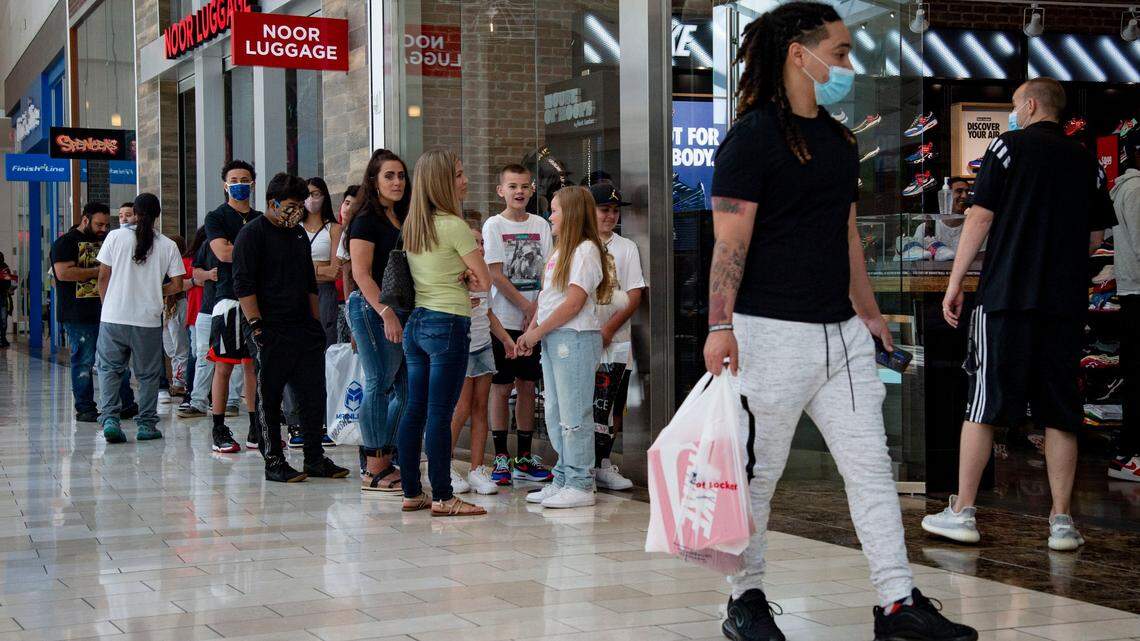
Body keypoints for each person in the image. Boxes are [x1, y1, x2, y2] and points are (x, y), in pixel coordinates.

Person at [702, 4, 976, 640]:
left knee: (872, 470)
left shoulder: (838, 138)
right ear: (800, 53)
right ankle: (745, 599)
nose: (849, 64)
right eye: (842, 51)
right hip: (768, 333)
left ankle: (898, 603)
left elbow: (846, 233)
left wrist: (871, 314)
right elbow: (729, 243)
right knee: (759, 475)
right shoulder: (751, 137)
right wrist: (721, 325)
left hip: (843, 338)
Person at [924, 77, 1117, 553]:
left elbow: (980, 217)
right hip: (1064, 304)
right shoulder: (1085, 159)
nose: (1013, 113)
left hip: (1007, 296)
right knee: (1061, 411)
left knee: (983, 403)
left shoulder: (1007, 148)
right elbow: (1096, 237)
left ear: (1030, 106)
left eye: (1014, 105)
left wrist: (954, 283)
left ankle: (962, 512)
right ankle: (1062, 522)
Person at [232, 172, 350, 483]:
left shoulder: (297, 235)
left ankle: (314, 457)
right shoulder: (252, 234)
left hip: (303, 327)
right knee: (269, 395)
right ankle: (274, 460)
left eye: (300, 205)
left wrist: (314, 323)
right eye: (291, 205)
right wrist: (256, 326)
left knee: (312, 392)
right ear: (272, 203)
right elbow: (243, 284)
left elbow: (310, 282)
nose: (297, 211)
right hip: (267, 327)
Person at [397, 148, 491, 517]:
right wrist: (468, 276)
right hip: (448, 323)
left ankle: (411, 491)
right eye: (458, 174)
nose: (465, 180)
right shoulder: (453, 226)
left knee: (414, 410)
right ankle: (443, 495)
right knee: (440, 413)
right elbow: (483, 280)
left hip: (417, 324)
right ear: (442, 182)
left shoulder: (413, 225)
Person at [516, 186, 612, 509]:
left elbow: (573, 304)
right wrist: (532, 331)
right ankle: (563, 475)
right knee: (557, 413)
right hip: (555, 338)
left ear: (570, 214)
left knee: (574, 414)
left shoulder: (586, 250)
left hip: (575, 338)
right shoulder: (561, 251)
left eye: (555, 210)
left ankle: (581, 482)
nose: (550, 216)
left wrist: (536, 332)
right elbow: (548, 299)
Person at [483, 163, 554, 486]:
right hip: (505, 320)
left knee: (527, 385)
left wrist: (536, 311)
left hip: (534, 321)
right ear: (501, 191)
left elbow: (548, 272)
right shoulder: (493, 226)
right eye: (512, 186)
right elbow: (495, 273)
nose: (519, 192)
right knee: (501, 387)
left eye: (524, 186)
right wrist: (525, 305)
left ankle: (524, 457)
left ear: (532, 189)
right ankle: (501, 456)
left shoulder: (541, 225)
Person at [95, 193, 184, 443]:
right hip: (147, 319)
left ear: (134, 212)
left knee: (109, 371)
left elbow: (103, 277)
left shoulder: (115, 236)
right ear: (158, 215)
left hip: (114, 317)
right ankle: (146, 425)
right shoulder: (168, 245)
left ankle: (111, 419)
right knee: (147, 375)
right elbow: (177, 284)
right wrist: (156, 291)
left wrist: (107, 304)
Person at [346, 149, 410, 495]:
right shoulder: (366, 219)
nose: (397, 181)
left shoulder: (402, 216)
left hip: (400, 310)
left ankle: (386, 454)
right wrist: (386, 313)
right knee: (379, 383)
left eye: (401, 175)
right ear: (374, 180)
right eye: (389, 175)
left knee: (406, 388)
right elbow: (361, 273)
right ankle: (374, 465)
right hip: (373, 310)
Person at [51, 202, 136, 422]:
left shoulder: (110, 240)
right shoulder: (65, 243)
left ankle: (126, 403)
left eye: (107, 225)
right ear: (85, 220)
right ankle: (85, 407)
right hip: (78, 313)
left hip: (111, 311)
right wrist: (99, 271)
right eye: (99, 224)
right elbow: (63, 274)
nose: (103, 229)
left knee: (117, 360)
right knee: (83, 360)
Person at [450, 224, 518, 495]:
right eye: (472, 242)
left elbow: (489, 314)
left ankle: (477, 468)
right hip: (462, 349)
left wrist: (505, 339)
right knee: (461, 408)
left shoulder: (484, 278)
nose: (478, 247)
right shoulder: (456, 276)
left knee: (481, 407)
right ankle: (444, 465)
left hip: (482, 347)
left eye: (481, 243)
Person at [589, 183, 645, 491]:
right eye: (603, 210)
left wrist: (610, 329)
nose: (610, 216)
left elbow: (635, 293)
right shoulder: (579, 245)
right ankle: (583, 464)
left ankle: (604, 462)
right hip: (583, 339)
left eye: (614, 210)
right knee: (585, 403)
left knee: (612, 404)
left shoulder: (627, 248)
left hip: (617, 339)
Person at [205, 160, 261, 454]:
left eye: (245, 178)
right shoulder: (216, 217)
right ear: (225, 184)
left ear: (253, 183)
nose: (240, 183)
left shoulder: (261, 217)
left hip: (257, 300)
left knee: (254, 366)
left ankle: (256, 426)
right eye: (234, 178)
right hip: (227, 299)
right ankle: (218, 427)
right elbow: (223, 253)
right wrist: (255, 250)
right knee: (224, 366)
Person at [178, 228, 243, 419]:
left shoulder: (244, 240)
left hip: (234, 305)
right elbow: (196, 271)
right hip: (208, 308)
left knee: (235, 357)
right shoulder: (208, 244)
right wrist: (207, 275)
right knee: (203, 356)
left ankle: (231, 401)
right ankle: (198, 401)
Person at [1110, 130, 1139, 482]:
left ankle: (1127, 451)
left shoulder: (1124, 188)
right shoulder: (1135, 190)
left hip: (1130, 290)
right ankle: (1129, 452)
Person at [304, 177, 342, 347]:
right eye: (307, 194)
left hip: (324, 293)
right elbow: (288, 268)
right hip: (298, 291)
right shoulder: (294, 227)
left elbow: (335, 271)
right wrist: (321, 268)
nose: (311, 198)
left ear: (324, 195)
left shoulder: (334, 228)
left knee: (325, 342)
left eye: (315, 194)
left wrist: (305, 268)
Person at [177, 228, 207, 410]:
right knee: (196, 355)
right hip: (196, 313)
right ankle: (190, 394)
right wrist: (196, 281)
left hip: (216, 312)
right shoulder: (189, 260)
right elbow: (179, 284)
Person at [161, 235, 191, 396]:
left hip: (179, 305)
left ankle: (180, 382)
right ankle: (177, 380)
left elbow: (182, 285)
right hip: (167, 307)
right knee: (170, 347)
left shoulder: (182, 264)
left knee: (180, 346)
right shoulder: (164, 263)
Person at [913, 177, 970, 251]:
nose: (964, 196)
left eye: (967, 192)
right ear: (946, 195)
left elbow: (980, 259)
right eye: (959, 191)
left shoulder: (974, 227)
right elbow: (916, 257)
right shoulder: (926, 228)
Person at [0, 252, 13, 348]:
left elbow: (8, 282)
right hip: (3, 297)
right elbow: (8, 282)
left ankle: (3, 339)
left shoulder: (5, 268)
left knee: (3, 318)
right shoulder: (5, 268)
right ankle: (3, 339)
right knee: (3, 319)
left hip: (3, 297)